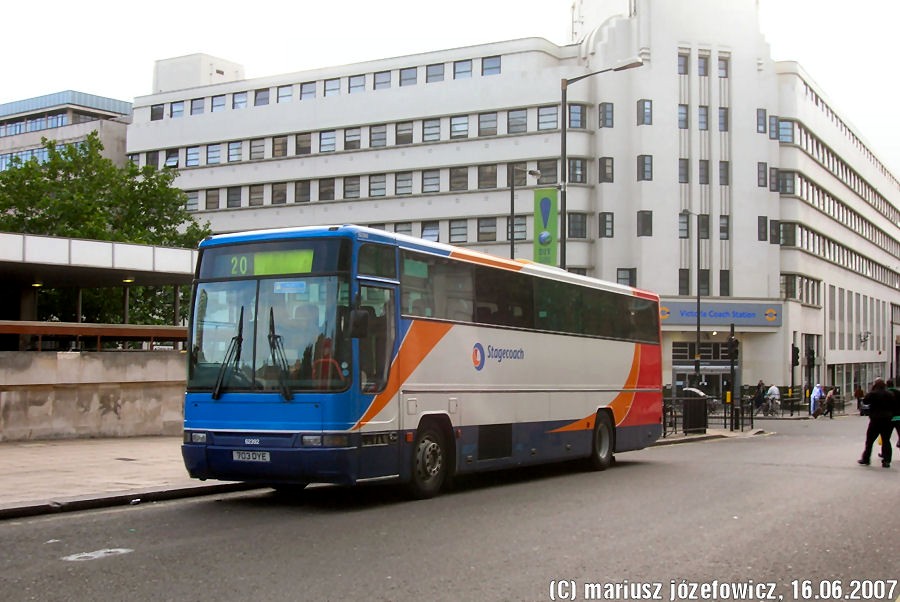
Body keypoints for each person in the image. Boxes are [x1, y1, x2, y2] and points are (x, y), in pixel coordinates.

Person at [857, 378, 894, 468]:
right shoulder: (889, 394)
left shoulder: (873, 394)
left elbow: (865, 401)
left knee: (869, 441)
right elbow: (894, 404)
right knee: (886, 441)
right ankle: (886, 461)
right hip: (887, 420)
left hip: (875, 419)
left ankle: (866, 458)